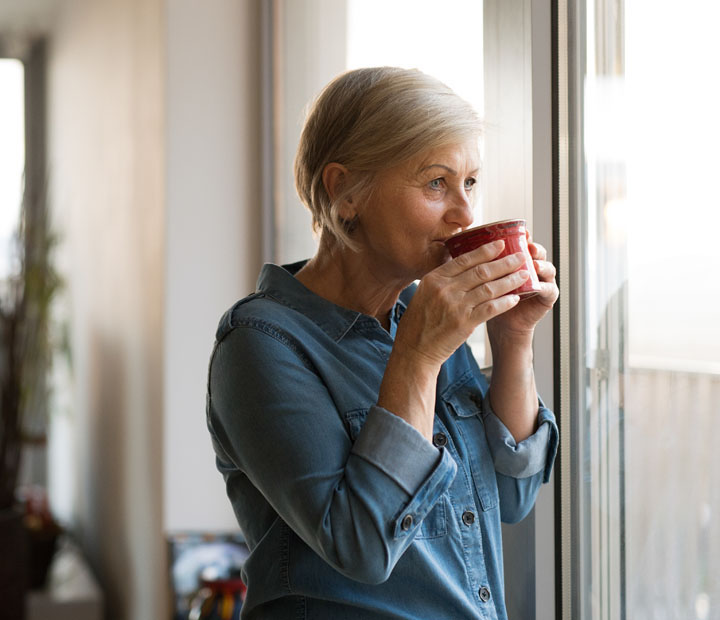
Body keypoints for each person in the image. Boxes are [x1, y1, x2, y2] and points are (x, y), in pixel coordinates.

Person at [206, 66, 559, 620]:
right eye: (436, 183)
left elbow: (512, 497)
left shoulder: (421, 318)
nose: (465, 213)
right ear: (344, 191)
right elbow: (363, 547)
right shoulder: (261, 344)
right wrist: (417, 358)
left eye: (469, 183)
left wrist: (514, 339)